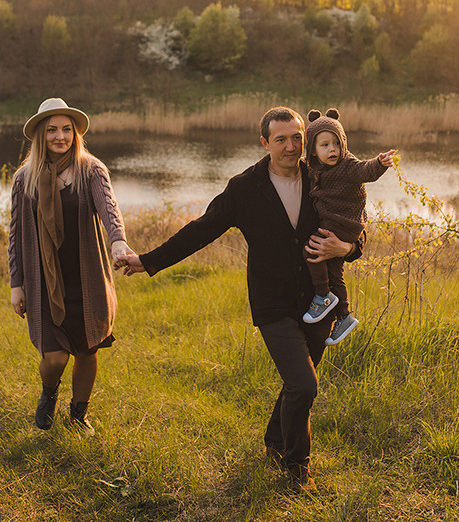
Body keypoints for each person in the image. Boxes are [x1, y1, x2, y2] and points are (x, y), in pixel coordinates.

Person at [114, 106, 362, 492]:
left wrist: (344, 247)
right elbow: (201, 230)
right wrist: (148, 262)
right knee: (305, 384)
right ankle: (298, 467)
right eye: (281, 139)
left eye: (297, 137)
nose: (291, 146)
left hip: (319, 301)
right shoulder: (245, 188)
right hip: (272, 302)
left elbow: (354, 227)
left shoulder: (322, 177)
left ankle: (275, 442)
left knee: (299, 380)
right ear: (265, 143)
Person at [8, 97, 134, 435]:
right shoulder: (25, 178)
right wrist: (16, 284)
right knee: (54, 358)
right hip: (43, 280)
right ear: (40, 135)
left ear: (75, 134)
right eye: (52, 130)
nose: (60, 136)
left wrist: (118, 239)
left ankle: (79, 415)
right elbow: (16, 234)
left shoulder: (90, 169)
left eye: (66, 129)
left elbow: (108, 206)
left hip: (85, 276)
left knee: (86, 350)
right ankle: (49, 393)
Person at [300, 108, 396, 346]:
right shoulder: (313, 169)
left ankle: (323, 296)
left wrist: (380, 162)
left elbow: (366, 169)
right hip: (337, 222)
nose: (332, 149)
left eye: (336, 143)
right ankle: (343, 315)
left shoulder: (346, 165)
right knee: (334, 271)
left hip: (344, 223)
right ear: (312, 149)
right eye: (324, 145)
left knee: (311, 250)